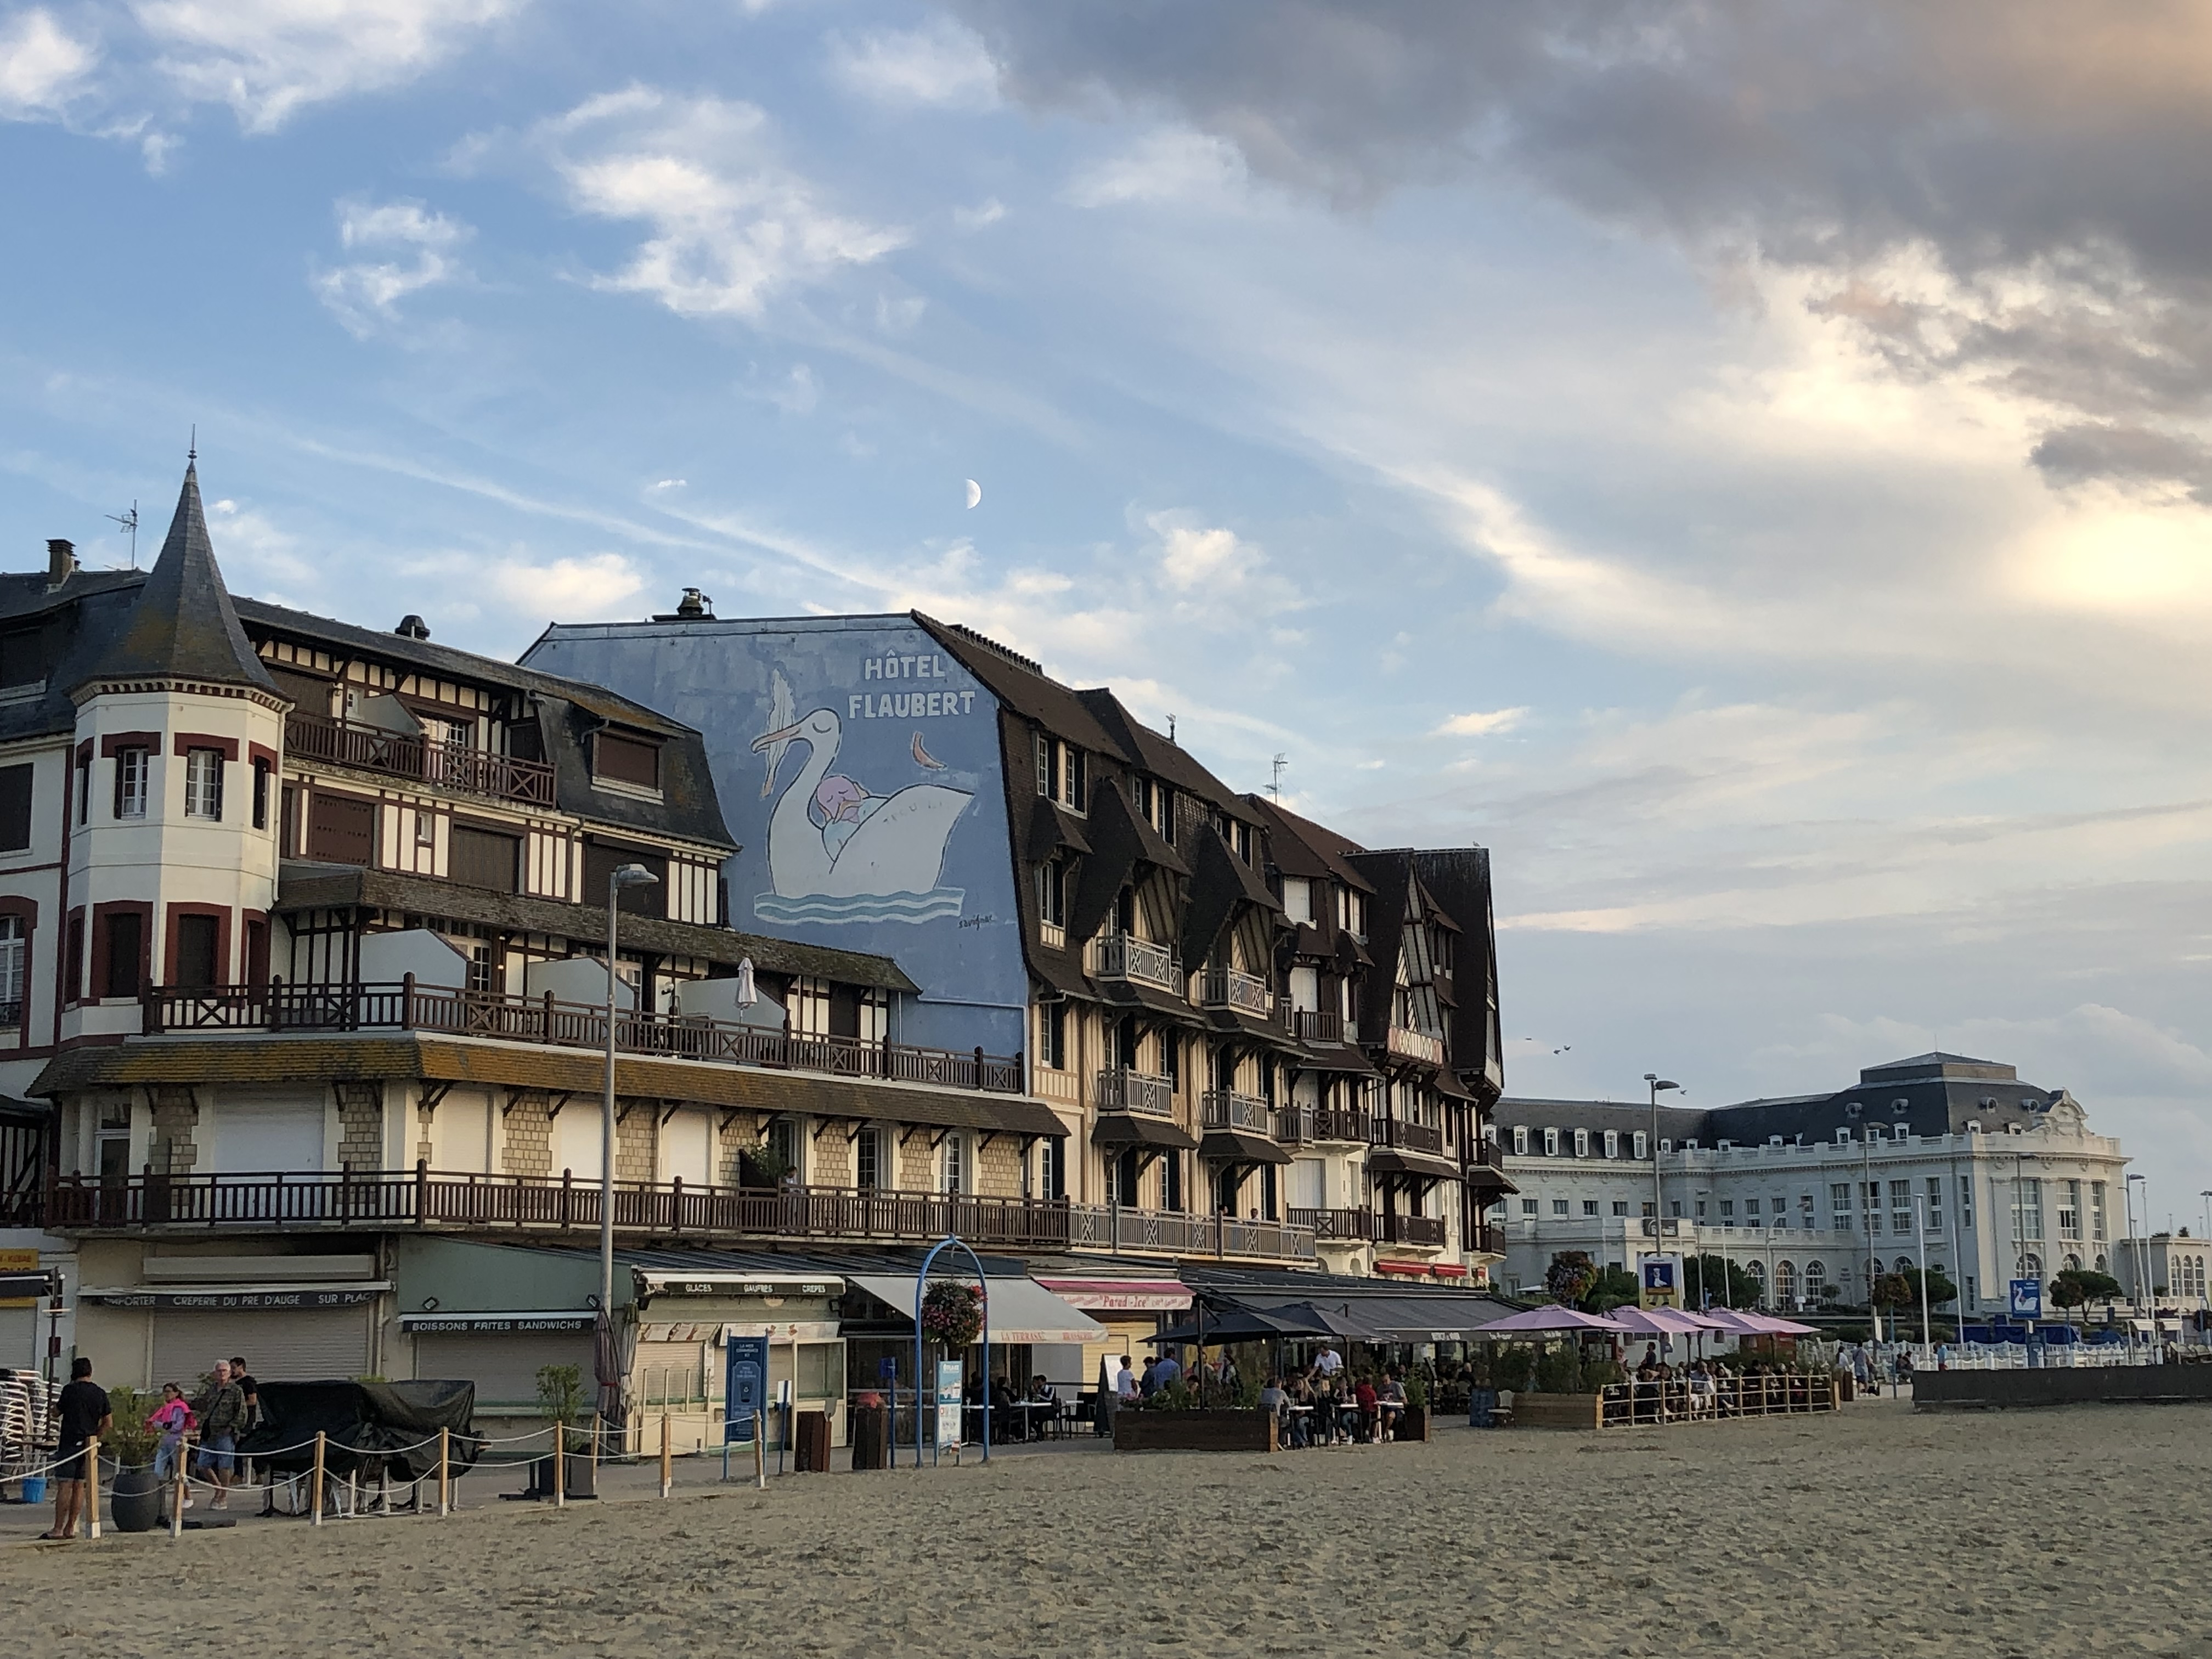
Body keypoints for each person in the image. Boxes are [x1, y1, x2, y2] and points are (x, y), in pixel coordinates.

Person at [45, 1356, 110, 1541]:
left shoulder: (70, 1390)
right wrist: (95, 1437)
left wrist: (52, 1409)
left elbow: (57, 1412)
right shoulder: (100, 1393)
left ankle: (58, 1528)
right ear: (90, 1371)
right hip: (88, 1446)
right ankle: (70, 1527)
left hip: (69, 1442)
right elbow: (108, 1422)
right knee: (79, 1486)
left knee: (65, 1485)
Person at [194, 1359, 246, 1510]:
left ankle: (223, 1497)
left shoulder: (236, 1391)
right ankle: (218, 1488)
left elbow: (242, 1412)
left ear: (230, 1373)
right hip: (209, 1433)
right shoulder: (211, 1389)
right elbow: (201, 1404)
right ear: (215, 1373)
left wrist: (233, 1428)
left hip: (225, 1433)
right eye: (219, 1371)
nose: (222, 1373)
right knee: (203, 1464)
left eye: (225, 1371)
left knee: (225, 1466)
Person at [149, 1383, 195, 1499]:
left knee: (179, 1472)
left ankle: (187, 1496)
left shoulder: (181, 1408)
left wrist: (166, 1426)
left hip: (176, 1441)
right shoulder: (164, 1407)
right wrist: (165, 1425)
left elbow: (178, 1426)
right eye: (165, 1392)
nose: (167, 1394)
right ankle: (157, 1497)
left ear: (176, 1393)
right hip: (164, 1441)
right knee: (158, 1470)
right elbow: (155, 1422)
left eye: (169, 1392)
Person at [1378, 1372, 1408, 1441]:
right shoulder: (1380, 1388)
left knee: (1391, 1415)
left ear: (1389, 1379)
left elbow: (1405, 1401)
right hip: (1384, 1408)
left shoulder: (1396, 1385)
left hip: (1396, 1408)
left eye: (1386, 1381)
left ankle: (1385, 1432)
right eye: (1383, 1382)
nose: (1385, 1384)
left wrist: (1395, 1402)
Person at [1352, 1374, 1380, 1443]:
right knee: (1378, 1414)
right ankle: (1374, 1436)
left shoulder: (1359, 1389)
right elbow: (1375, 1400)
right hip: (1370, 1410)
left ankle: (1366, 1434)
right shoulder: (1371, 1391)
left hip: (1361, 1410)